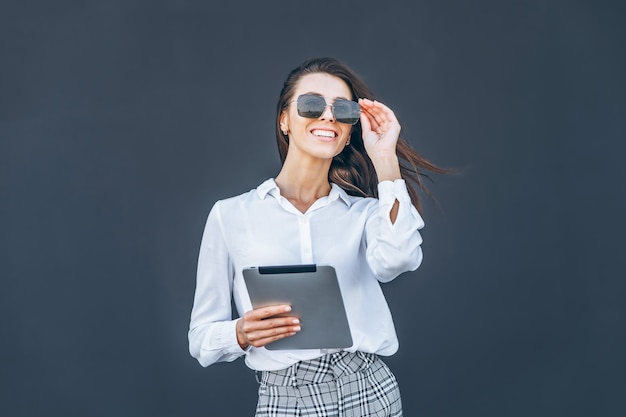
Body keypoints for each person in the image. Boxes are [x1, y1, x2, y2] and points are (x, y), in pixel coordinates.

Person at [189, 57, 446, 416]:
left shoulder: (366, 214)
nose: (328, 116)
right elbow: (201, 338)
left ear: (348, 131)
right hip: (285, 399)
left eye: (342, 110)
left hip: (366, 390)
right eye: (311, 104)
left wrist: (384, 156)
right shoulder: (231, 215)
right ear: (284, 120)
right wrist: (240, 334)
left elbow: (397, 261)